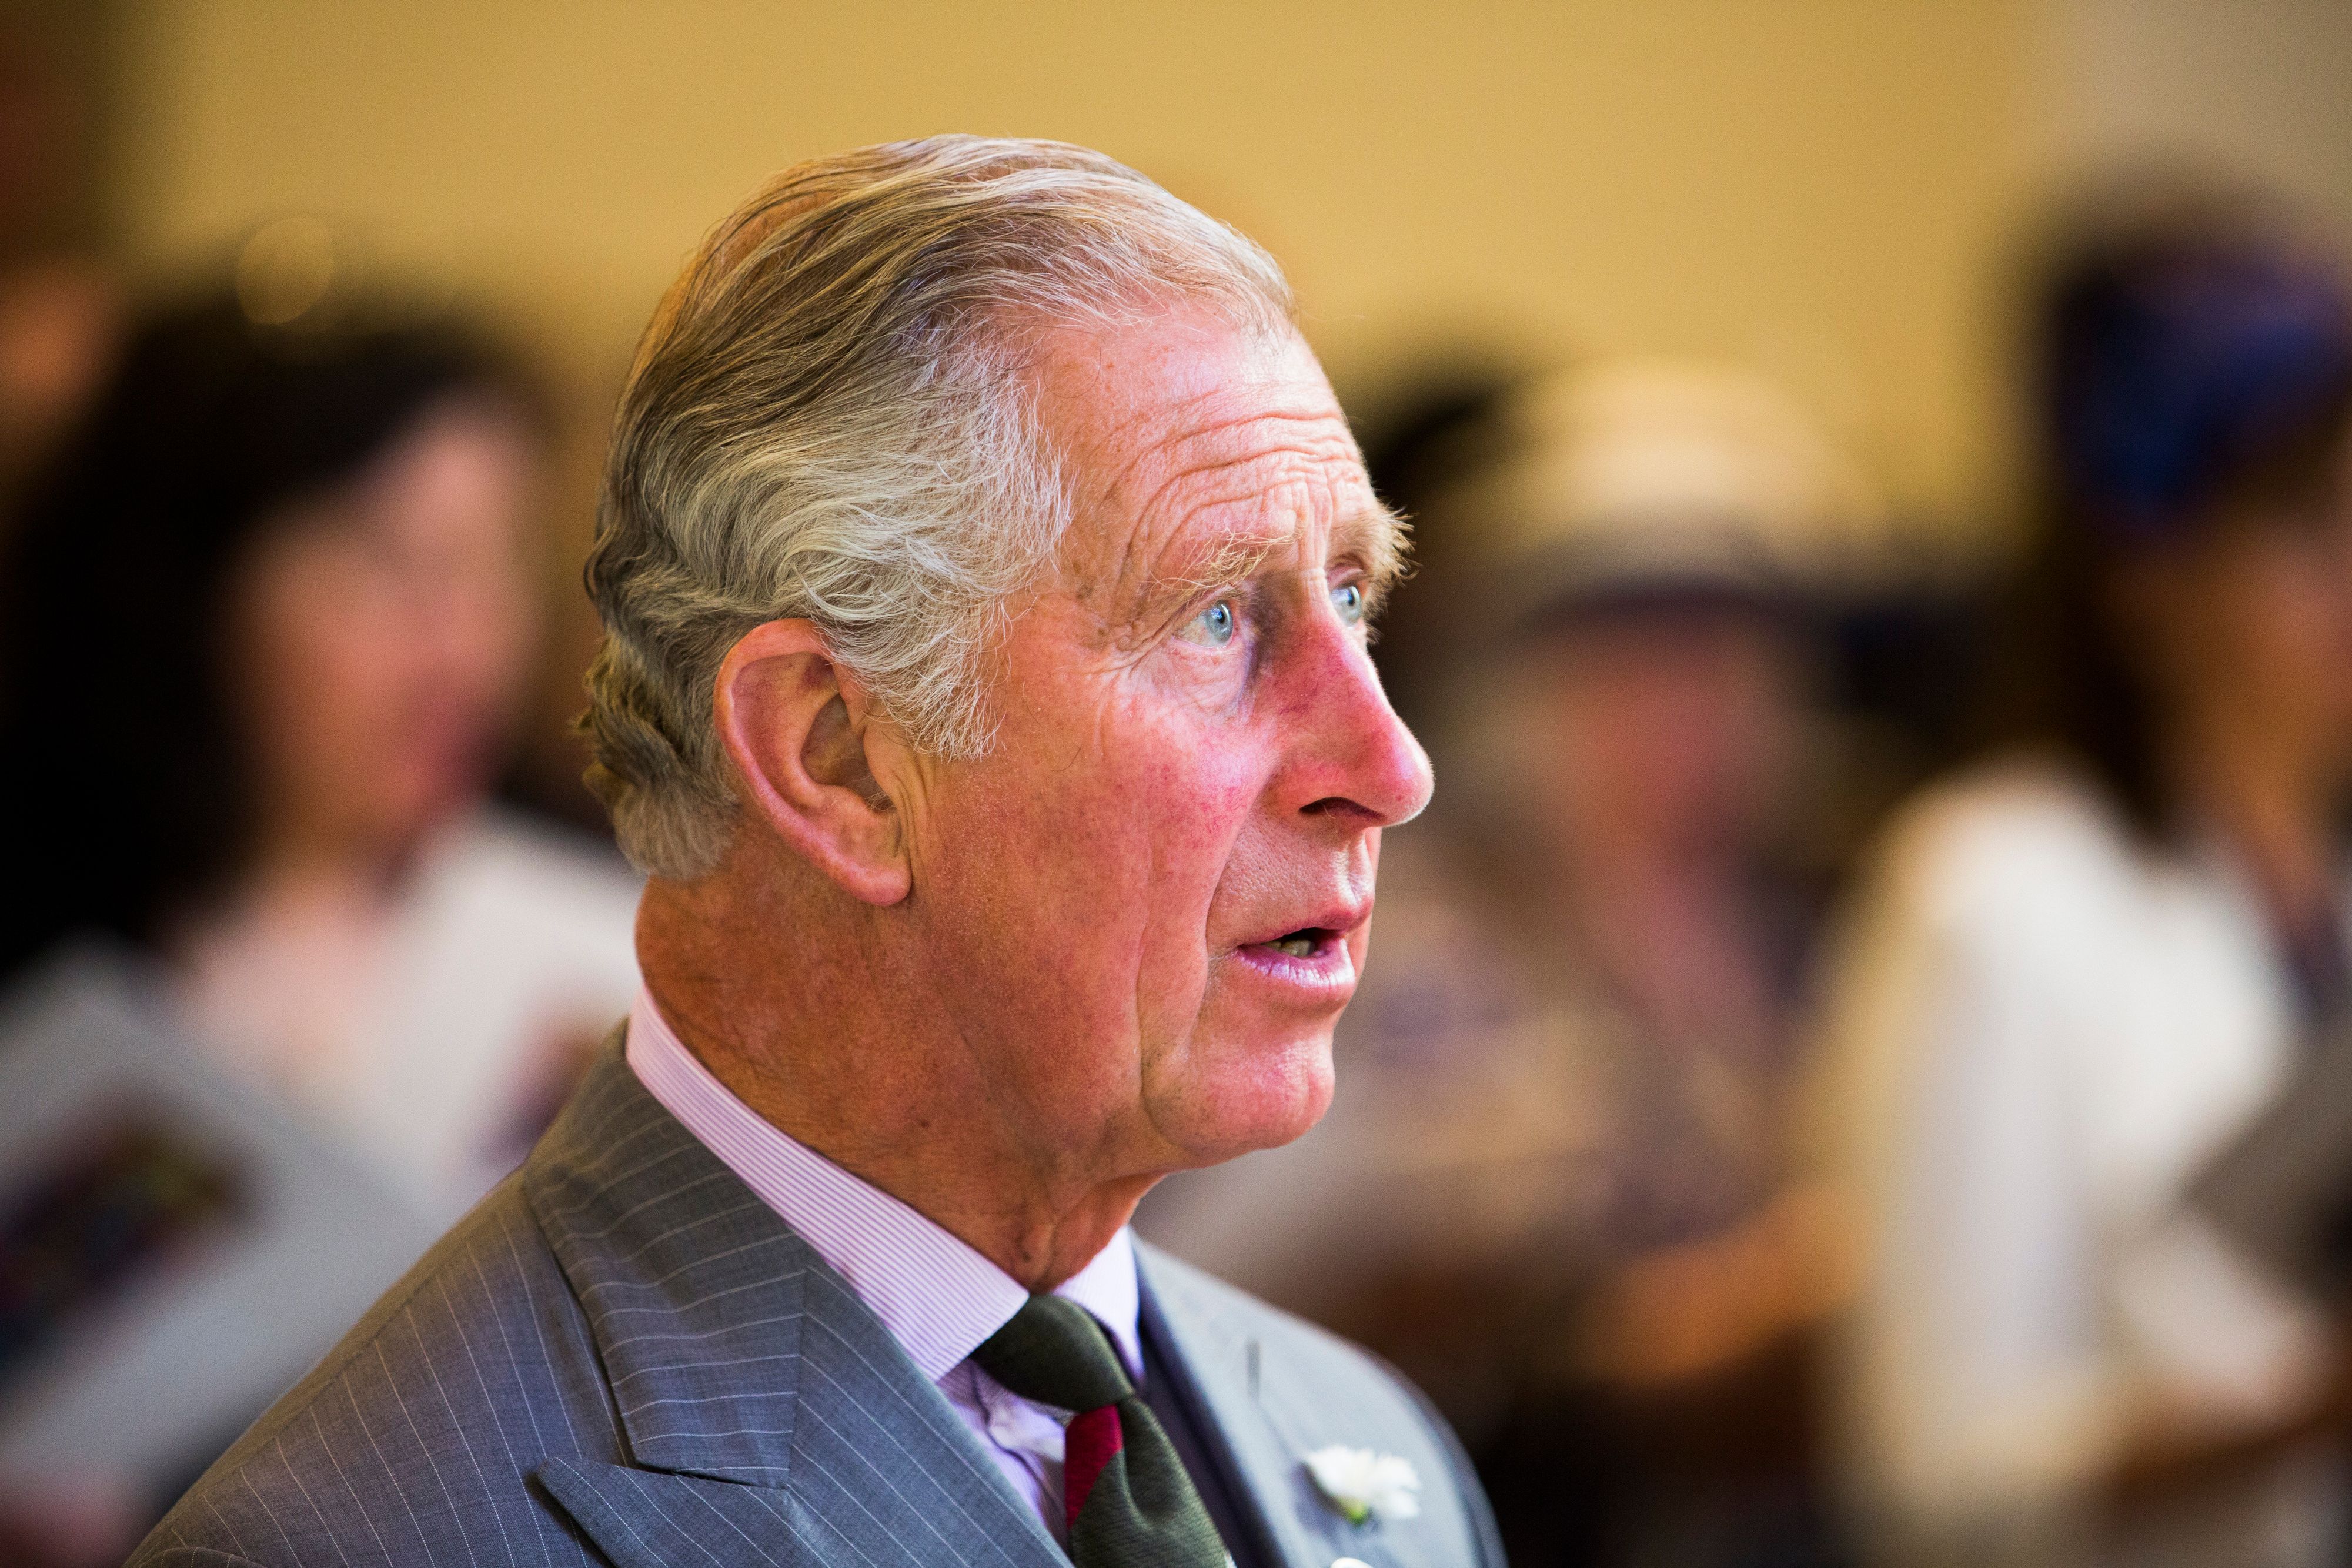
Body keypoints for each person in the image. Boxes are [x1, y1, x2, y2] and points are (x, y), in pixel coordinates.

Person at [128, 136, 1497, 1568]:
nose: (1389, 767)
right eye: (1217, 618)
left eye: (1352, 595)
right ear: (837, 757)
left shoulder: (1373, 1451)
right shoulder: (367, 1539)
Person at [1141, 359, 1877, 1566]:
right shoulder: (1398, 939)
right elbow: (1216, 1285)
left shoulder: (1801, 932)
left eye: (1716, 659)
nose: (1678, 716)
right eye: (1621, 663)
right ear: (1512, 687)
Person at [0, 282, 641, 1563]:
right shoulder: (49, 941)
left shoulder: (598, 939)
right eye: (388, 563)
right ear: (194, 587)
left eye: (491, 559)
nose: (459, 640)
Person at [1815, 194, 2352, 1567]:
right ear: (2148, 571)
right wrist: (2302, 1408)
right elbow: (1932, 1471)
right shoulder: (1991, 896)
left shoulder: (2325, 893)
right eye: (2305, 530)